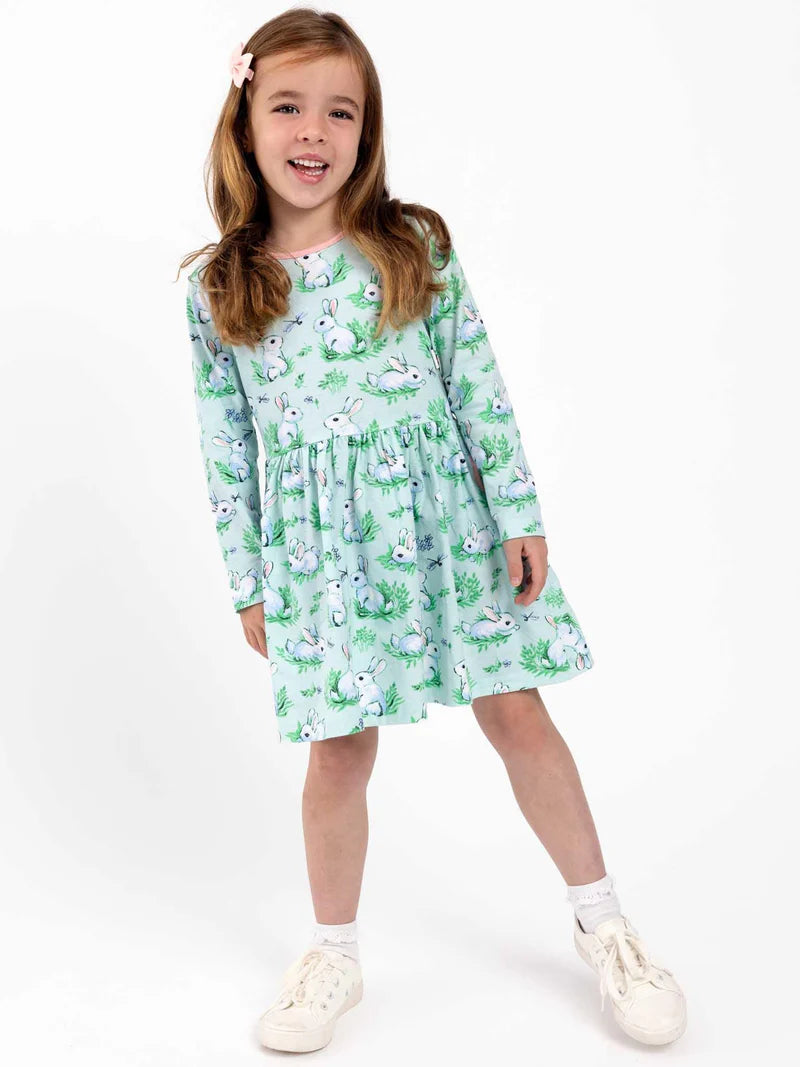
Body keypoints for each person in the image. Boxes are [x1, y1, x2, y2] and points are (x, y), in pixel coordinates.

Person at [180, 7, 687, 1054]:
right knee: (337, 751)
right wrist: (249, 580)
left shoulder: (410, 244)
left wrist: (517, 510)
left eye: (340, 111)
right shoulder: (219, 287)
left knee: (516, 710)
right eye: (288, 107)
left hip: (448, 525)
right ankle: (333, 953)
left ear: (366, 131)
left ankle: (605, 923)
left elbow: (476, 383)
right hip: (320, 557)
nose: (313, 131)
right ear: (244, 122)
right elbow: (224, 445)